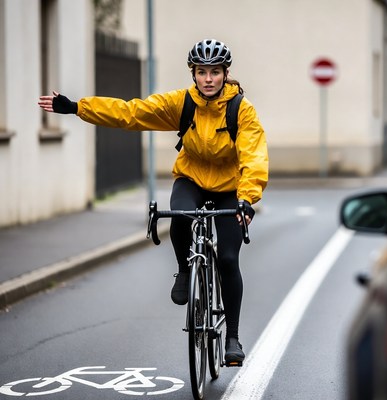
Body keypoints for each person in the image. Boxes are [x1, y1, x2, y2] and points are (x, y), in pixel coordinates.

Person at [38, 38, 269, 365]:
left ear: (225, 73)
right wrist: (78, 107)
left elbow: (254, 156)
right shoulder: (182, 104)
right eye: (201, 72)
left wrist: (247, 199)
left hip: (231, 187)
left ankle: (232, 337)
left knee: (229, 258)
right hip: (191, 178)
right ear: (193, 74)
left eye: (214, 72)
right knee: (181, 215)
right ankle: (184, 271)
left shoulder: (240, 110)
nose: (207, 79)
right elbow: (131, 112)